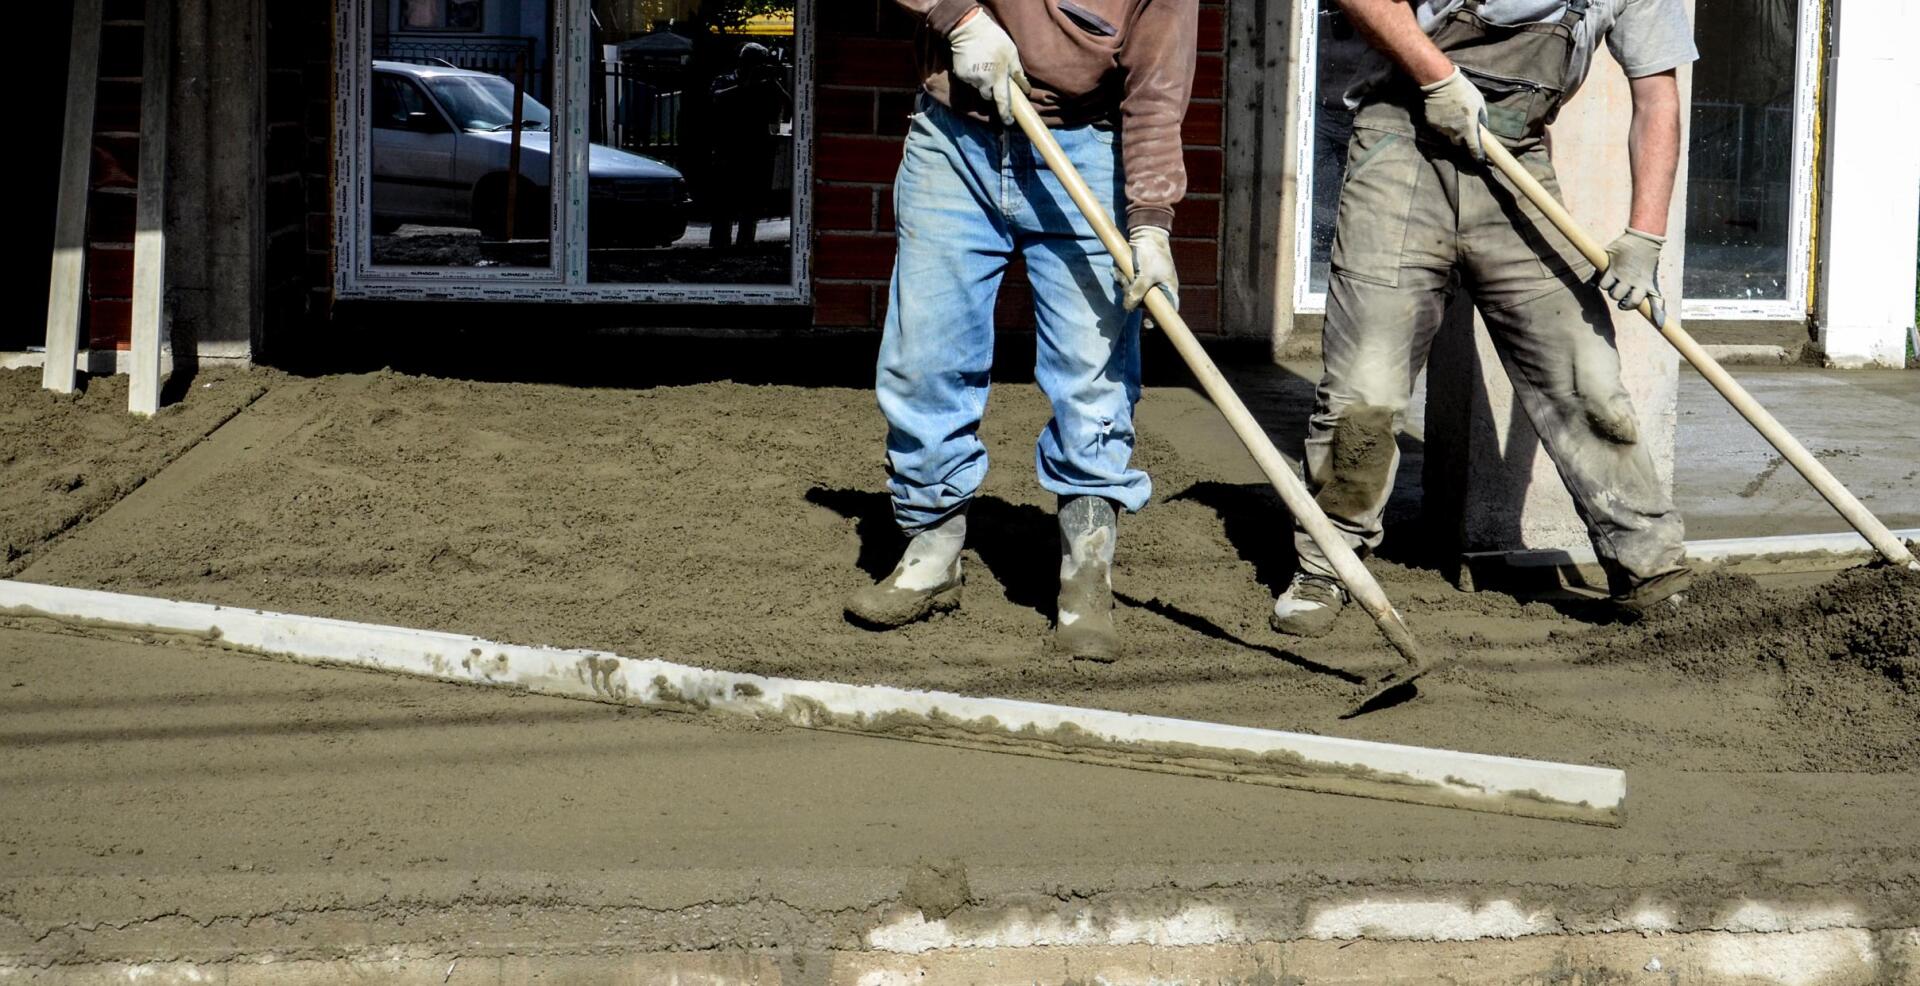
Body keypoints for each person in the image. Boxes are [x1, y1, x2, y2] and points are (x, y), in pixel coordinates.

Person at [1270, 0, 1697, 637]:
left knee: (1587, 383)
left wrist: (1646, 236)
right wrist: (1437, 75)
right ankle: (1327, 563)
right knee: (1367, 387)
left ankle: (1651, 572)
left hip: (1515, 160)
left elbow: (1657, 97)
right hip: (1401, 145)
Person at [843, 0, 1197, 661]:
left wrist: (1150, 222)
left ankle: (1086, 567)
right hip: (955, 141)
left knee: (1094, 370)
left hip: (1086, 148)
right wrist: (957, 15)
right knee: (925, 356)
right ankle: (932, 547)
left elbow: (1156, 87)